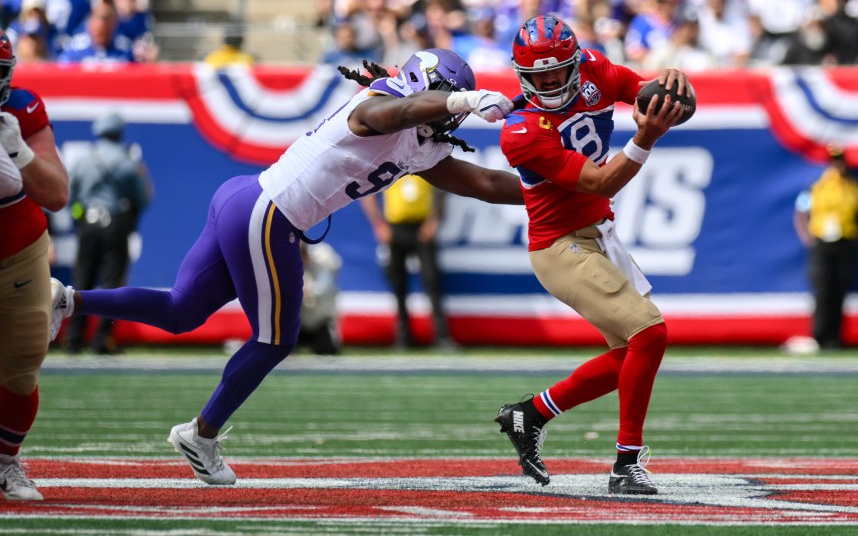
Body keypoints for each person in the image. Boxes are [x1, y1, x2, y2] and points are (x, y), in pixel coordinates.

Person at [49, 48, 520, 486]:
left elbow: (483, 181)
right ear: (426, 88)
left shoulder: (424, 147)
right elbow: (396, 113)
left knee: (181, 311)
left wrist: (562, 188)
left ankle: (66, 300)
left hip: (249, 200)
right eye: (445, 102)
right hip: (270, 212)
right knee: (276, 339)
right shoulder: (379, 101)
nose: (450, 115)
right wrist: (461, 98)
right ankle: (201, 434)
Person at [493, 15, 689, 496]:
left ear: (575, 62)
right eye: (538, 77)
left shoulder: (596, 70)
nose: (550, 83)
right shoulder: (520, 130)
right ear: (522, 76)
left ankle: (532, 413)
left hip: (597, 235)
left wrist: (671, 85)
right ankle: (626, 463)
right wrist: (644, 138)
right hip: (559, 245)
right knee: (650, 332)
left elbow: (645, 89)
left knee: (629, 354)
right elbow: (601, 181)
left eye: (557, 72)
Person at [0, 28, 69, 500]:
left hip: (17, 249)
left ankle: (5, 462)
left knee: (24, 360)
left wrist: (19, 152)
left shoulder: (20, 109)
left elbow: (57, 194)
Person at [63, 113, 151, 355]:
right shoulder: (127, 162)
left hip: (88, 224)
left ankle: (73, 338)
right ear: (119, 132)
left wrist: (80, 216)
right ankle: (101, 339)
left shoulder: (84, 160)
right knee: (112, 283)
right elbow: (143, 198)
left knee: (82, 281)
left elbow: (71, 196)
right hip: (115, 224)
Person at [361, 175, 456, 350]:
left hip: (422, 227)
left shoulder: (427, 162)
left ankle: (442, 336)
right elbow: (368, 193)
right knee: (398, 283)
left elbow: (443, 189)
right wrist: (379, 225)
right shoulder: (391, 164)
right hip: (396, 227)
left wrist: (435, 220)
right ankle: (403, 337)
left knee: (432, 280)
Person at [793, 145, 858, 350]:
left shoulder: (852, 188)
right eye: (834, 161)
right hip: (822, 244)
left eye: (840, 161)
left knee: (839, 290)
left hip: (845, 243)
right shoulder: (815, 186)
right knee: (822, 289)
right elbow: (801, 212)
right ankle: (820, 335)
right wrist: (807, 237)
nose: (837, 165)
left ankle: (834, 338)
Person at [297, 241, 342, 355]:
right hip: (296, 324)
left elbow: (325, 284)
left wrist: (308, 291)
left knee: (328, 355)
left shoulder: (323, 258)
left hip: (320, 322)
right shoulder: (285, 267)